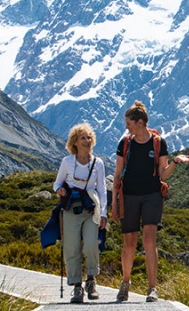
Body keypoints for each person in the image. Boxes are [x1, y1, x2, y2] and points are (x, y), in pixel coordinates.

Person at [113, 100, 189, 303]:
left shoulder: (159, 143)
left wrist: (175, 161)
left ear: (139, 122)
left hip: (152, 196)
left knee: (149, 240)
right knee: (129, 243)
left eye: (129, 124)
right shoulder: (125, 143)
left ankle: (152, 288)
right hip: (129, 196)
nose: (126, 127)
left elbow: (163, 174)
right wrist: (114, 204)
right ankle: (125, 283)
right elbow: (117, 175)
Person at [53, 123, 108, 304]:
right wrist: (60, 190)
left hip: (91, 208)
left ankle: (91, 280)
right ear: (75, 142)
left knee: (92, 243)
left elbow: (102, 190)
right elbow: (57, 184)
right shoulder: (67, 162)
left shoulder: (97, 163)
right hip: (71, 209)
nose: (87, 141)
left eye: (89, 137)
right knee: (71, 247)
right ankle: (76, 286)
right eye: (83, 138)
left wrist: (104, 213)